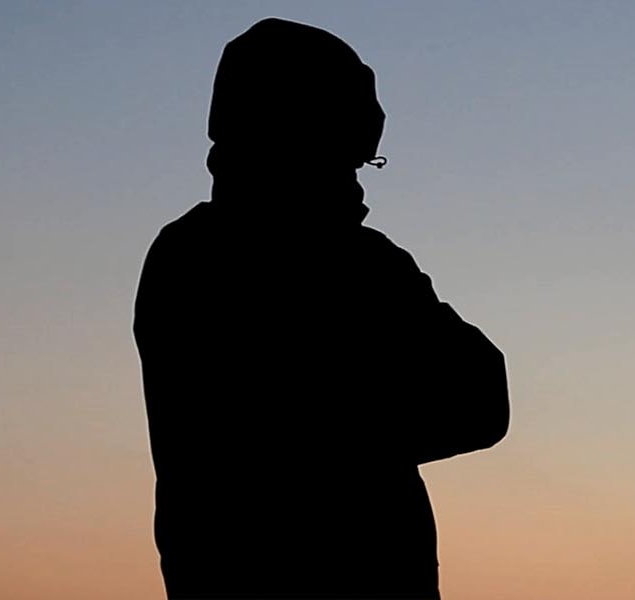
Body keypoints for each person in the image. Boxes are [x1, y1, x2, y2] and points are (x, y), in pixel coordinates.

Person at [133, 18, 509, 599]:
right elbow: (471, 397)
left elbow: (482, 393)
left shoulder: (186, 255)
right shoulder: (353, 266)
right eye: (351, 155)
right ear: (304, 137)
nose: (358, 181)